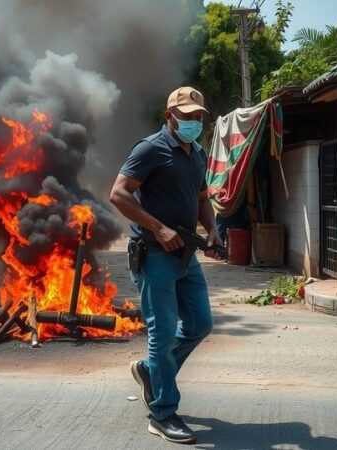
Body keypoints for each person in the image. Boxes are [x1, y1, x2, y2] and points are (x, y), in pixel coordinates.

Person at [110, 86, 223, 444]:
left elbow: (202, 196)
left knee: (200, 324)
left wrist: (214, 230)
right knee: (161, 333)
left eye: (197, 117)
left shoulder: (198, 153)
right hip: (154, 252)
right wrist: (157, 227)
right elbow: (118, 193)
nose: (192, 122)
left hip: (185, 254)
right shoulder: (150, 149)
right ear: (169, 116)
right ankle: (162, 413)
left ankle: (149, 371)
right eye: (186, 115)